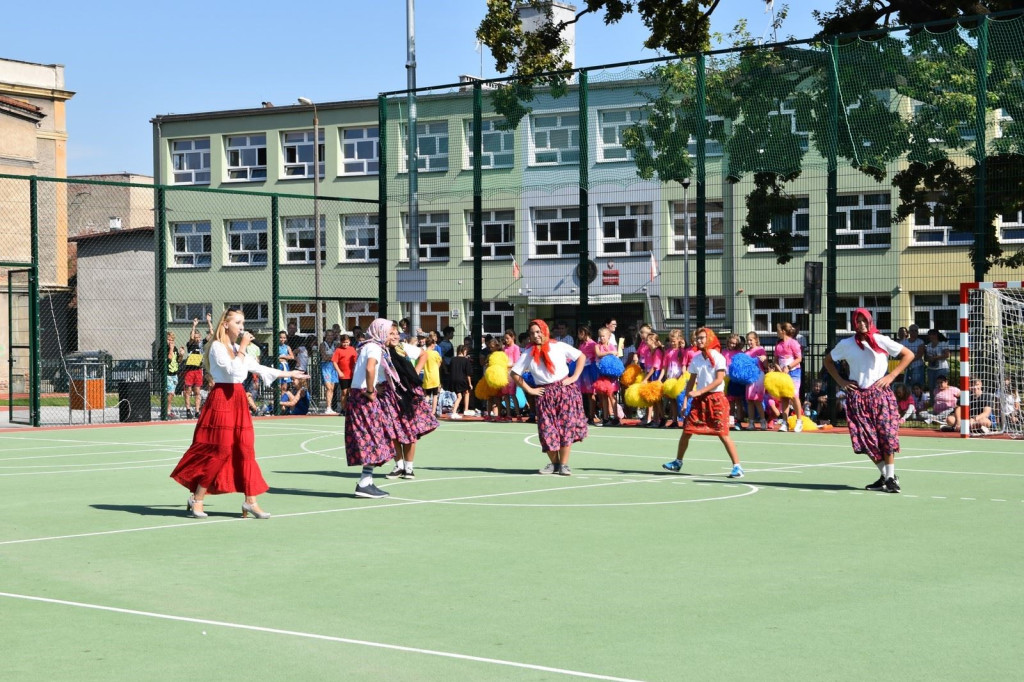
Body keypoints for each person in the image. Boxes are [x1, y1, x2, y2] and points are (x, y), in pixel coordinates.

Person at [170, 307, 308, 519]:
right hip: (221, 399)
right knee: (221, 450)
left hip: (238, 400)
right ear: (226, 324)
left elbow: (257, 368)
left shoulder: (237, 347)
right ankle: (197, 498)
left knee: (245, 449)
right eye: (238, 323)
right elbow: (234, 371)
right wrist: (243, 348)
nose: (242, 328)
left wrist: (288, 372)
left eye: (243, 324)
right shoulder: (217, 347)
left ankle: (250, 501)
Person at [823, 308, 914, 494]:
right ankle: (887, 477)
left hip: (881, 395)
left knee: (887, 436)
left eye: (865, 320)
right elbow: (828, 362)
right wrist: (841, 381)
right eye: (858, 320)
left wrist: (892, 376)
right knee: (865, 440)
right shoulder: (846, 344)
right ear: (854, 323)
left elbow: (908, 355)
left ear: (870, 321)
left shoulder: (881, 340)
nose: (862, 323)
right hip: (858, 397)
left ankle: (890, 478)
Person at [662, 327, 744, 479]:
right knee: (687, 431)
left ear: (710, 339)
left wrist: (699, 392)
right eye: (697, 338)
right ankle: (678, 462)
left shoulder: (718, 357)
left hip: (716, 399)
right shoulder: (696, 359)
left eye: (702, 338)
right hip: (699, 401)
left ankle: (737, 467)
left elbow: (719, 380)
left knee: (723, 434)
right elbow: (690, 382)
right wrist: (685, 401)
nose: (699, 340)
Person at [511, 319, 587, 476]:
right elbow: (514, 373)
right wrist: (530, 390)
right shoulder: (527, 353)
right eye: (532, 333)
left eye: (538, 332)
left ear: (544, 331)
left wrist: (574, 378)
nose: (535, 335)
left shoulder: (558, 346)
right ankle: (554, 463)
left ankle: (564, 465)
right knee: (547, 430)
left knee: (566, 428)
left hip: (565, 391)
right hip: (544, 395)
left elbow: (581, 357)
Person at [345, 319, 401, 499]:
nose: (391, 336)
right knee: (375, 439)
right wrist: (371, 391)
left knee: (374, 439)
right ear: (380, 332)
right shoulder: (375, 348)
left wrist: (374, 386)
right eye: (389, 332)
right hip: (363, 397)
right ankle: (364, 483)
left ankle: (366, 482)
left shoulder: (368, 346)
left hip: (358, 395)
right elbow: (370, 368)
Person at [384, 326, 438, 480]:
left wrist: (414, 372)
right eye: (391, 333)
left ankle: (409, 467)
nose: (395, 336)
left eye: (396, 333)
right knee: (392, 430)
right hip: (389, 394)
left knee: (409, 430)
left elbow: (423, 354)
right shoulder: (379, 350)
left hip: (408, 392)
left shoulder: (402, 347)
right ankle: (399, 465)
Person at [774, 322, 806, 432]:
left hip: (794, 372)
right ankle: (785, 422)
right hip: (783, 374)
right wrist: (778, 368)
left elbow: (799, 358)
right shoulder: (778, 345)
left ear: (783, 331)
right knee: (784, 397)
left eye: (778, 330)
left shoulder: (794, 343)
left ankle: (799, 421)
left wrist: (788, 367)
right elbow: (776, 360)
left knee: (794, 395)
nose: (777, 332)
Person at [331, 334, 357, 415]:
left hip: (353, 375)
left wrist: (355, 369)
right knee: (344, 392)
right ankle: (343, 409)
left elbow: (356, 360)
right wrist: (339, 371)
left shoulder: (352, 349)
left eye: (347, 342)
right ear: (341, 342)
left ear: (349, 341)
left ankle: (352, 409)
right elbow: (334, 362)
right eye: (343, 342)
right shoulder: (338, 350)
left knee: (352, 392)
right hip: (343, 375)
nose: (345, 344)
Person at [448, 344, 474, 419]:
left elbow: (450, 370)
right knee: (462, 395)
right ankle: (456, 411)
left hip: (453, 379)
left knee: (460, 394)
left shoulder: (453, 359)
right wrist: (470, 384)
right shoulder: (466, 360)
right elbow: (468, 374)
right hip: (462, 380)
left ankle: (458, 410)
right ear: (463, 351)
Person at [165, 331, 183, 418]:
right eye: (168, 339)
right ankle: (167, 411)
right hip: (167, 374)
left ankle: (168, 410)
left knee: (171, 394)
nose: (170, 341)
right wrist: (171, 349)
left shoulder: (175, 348)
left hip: (174, 374)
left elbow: (178, 361)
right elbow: (169, 359)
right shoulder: (164, 349)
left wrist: (181, 355)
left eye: (172, 340)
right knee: (170, 393)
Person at [320, 331, 338, 414]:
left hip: (333, 367)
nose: (330, 337)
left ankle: (330, 407)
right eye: (328, 335)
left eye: (331, 335)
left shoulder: (336, 345)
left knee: (332, 388)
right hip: (326, 367)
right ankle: (327, 407)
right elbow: (324, 356)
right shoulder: (322, 345)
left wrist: (330, 357)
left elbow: (338, 356)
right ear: (325, 336)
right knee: (328, 387)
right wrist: (333, 356)